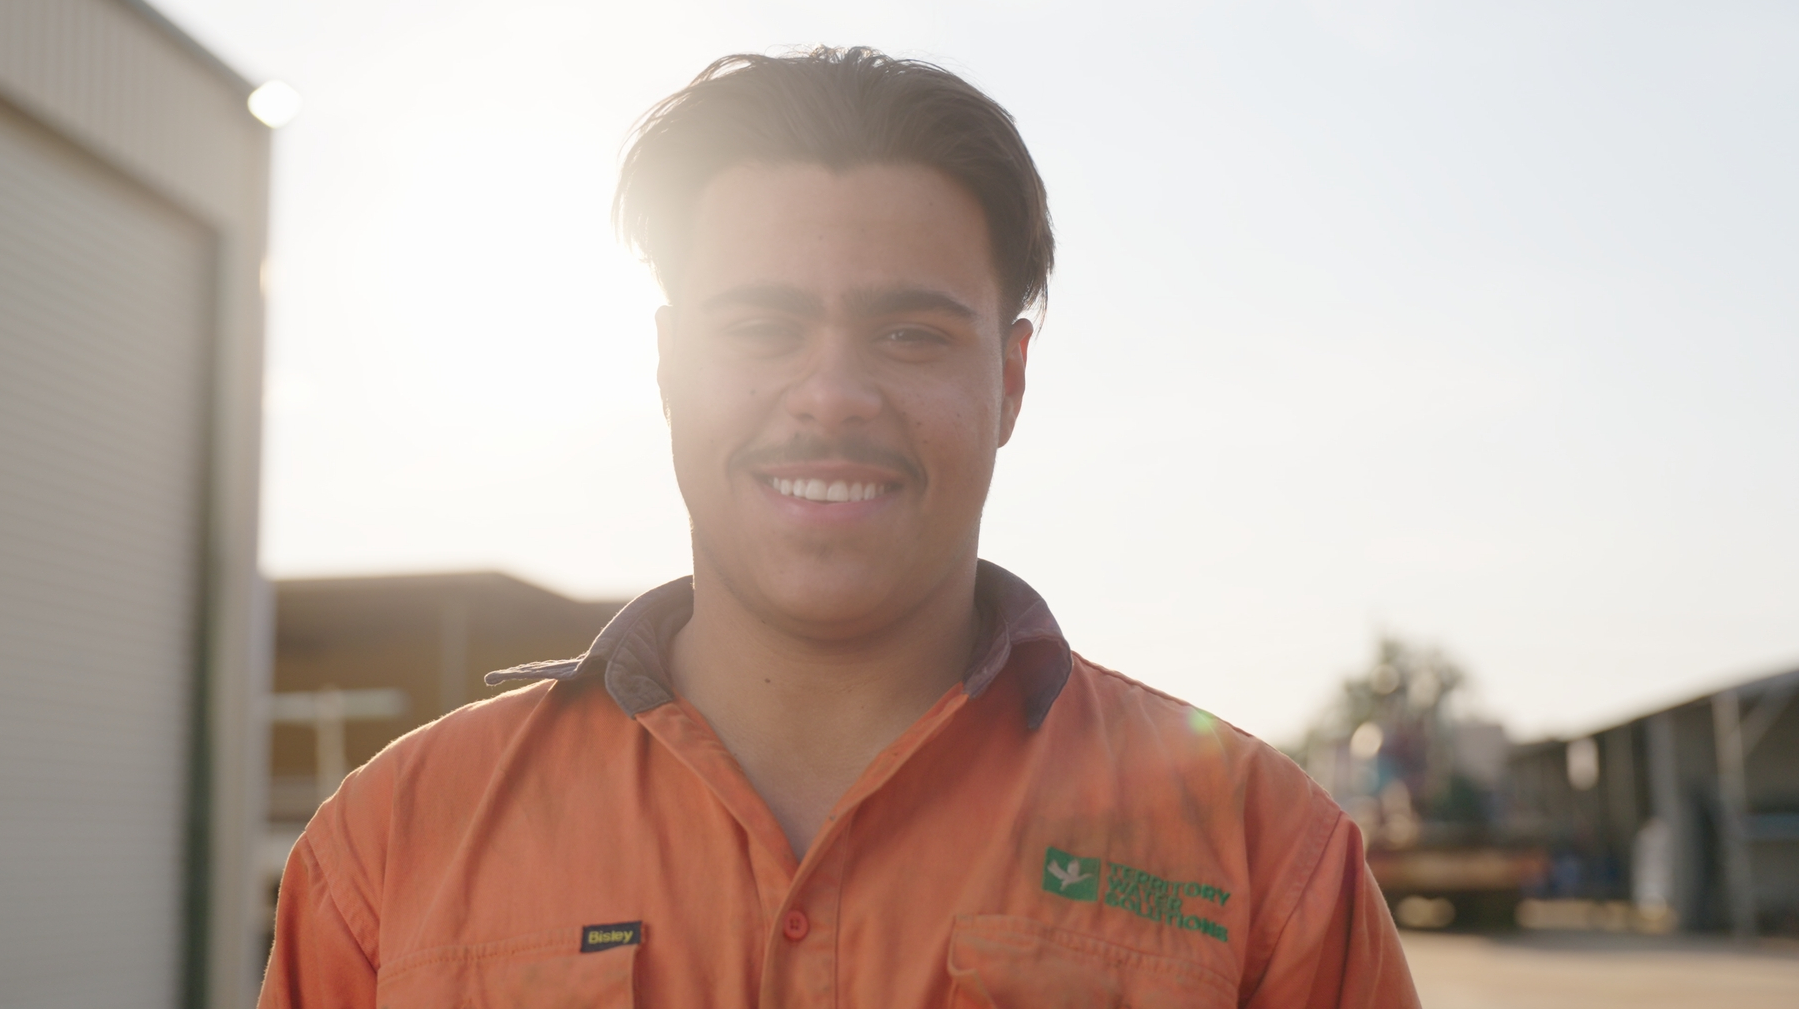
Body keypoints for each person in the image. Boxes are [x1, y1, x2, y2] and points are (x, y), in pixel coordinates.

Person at [259, 46, 1420, 1008]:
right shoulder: (393, 844)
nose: (833, 396)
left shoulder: (1266, 857)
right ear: (666, 363)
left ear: (1011, 380)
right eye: (762, 327)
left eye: (911, 336)